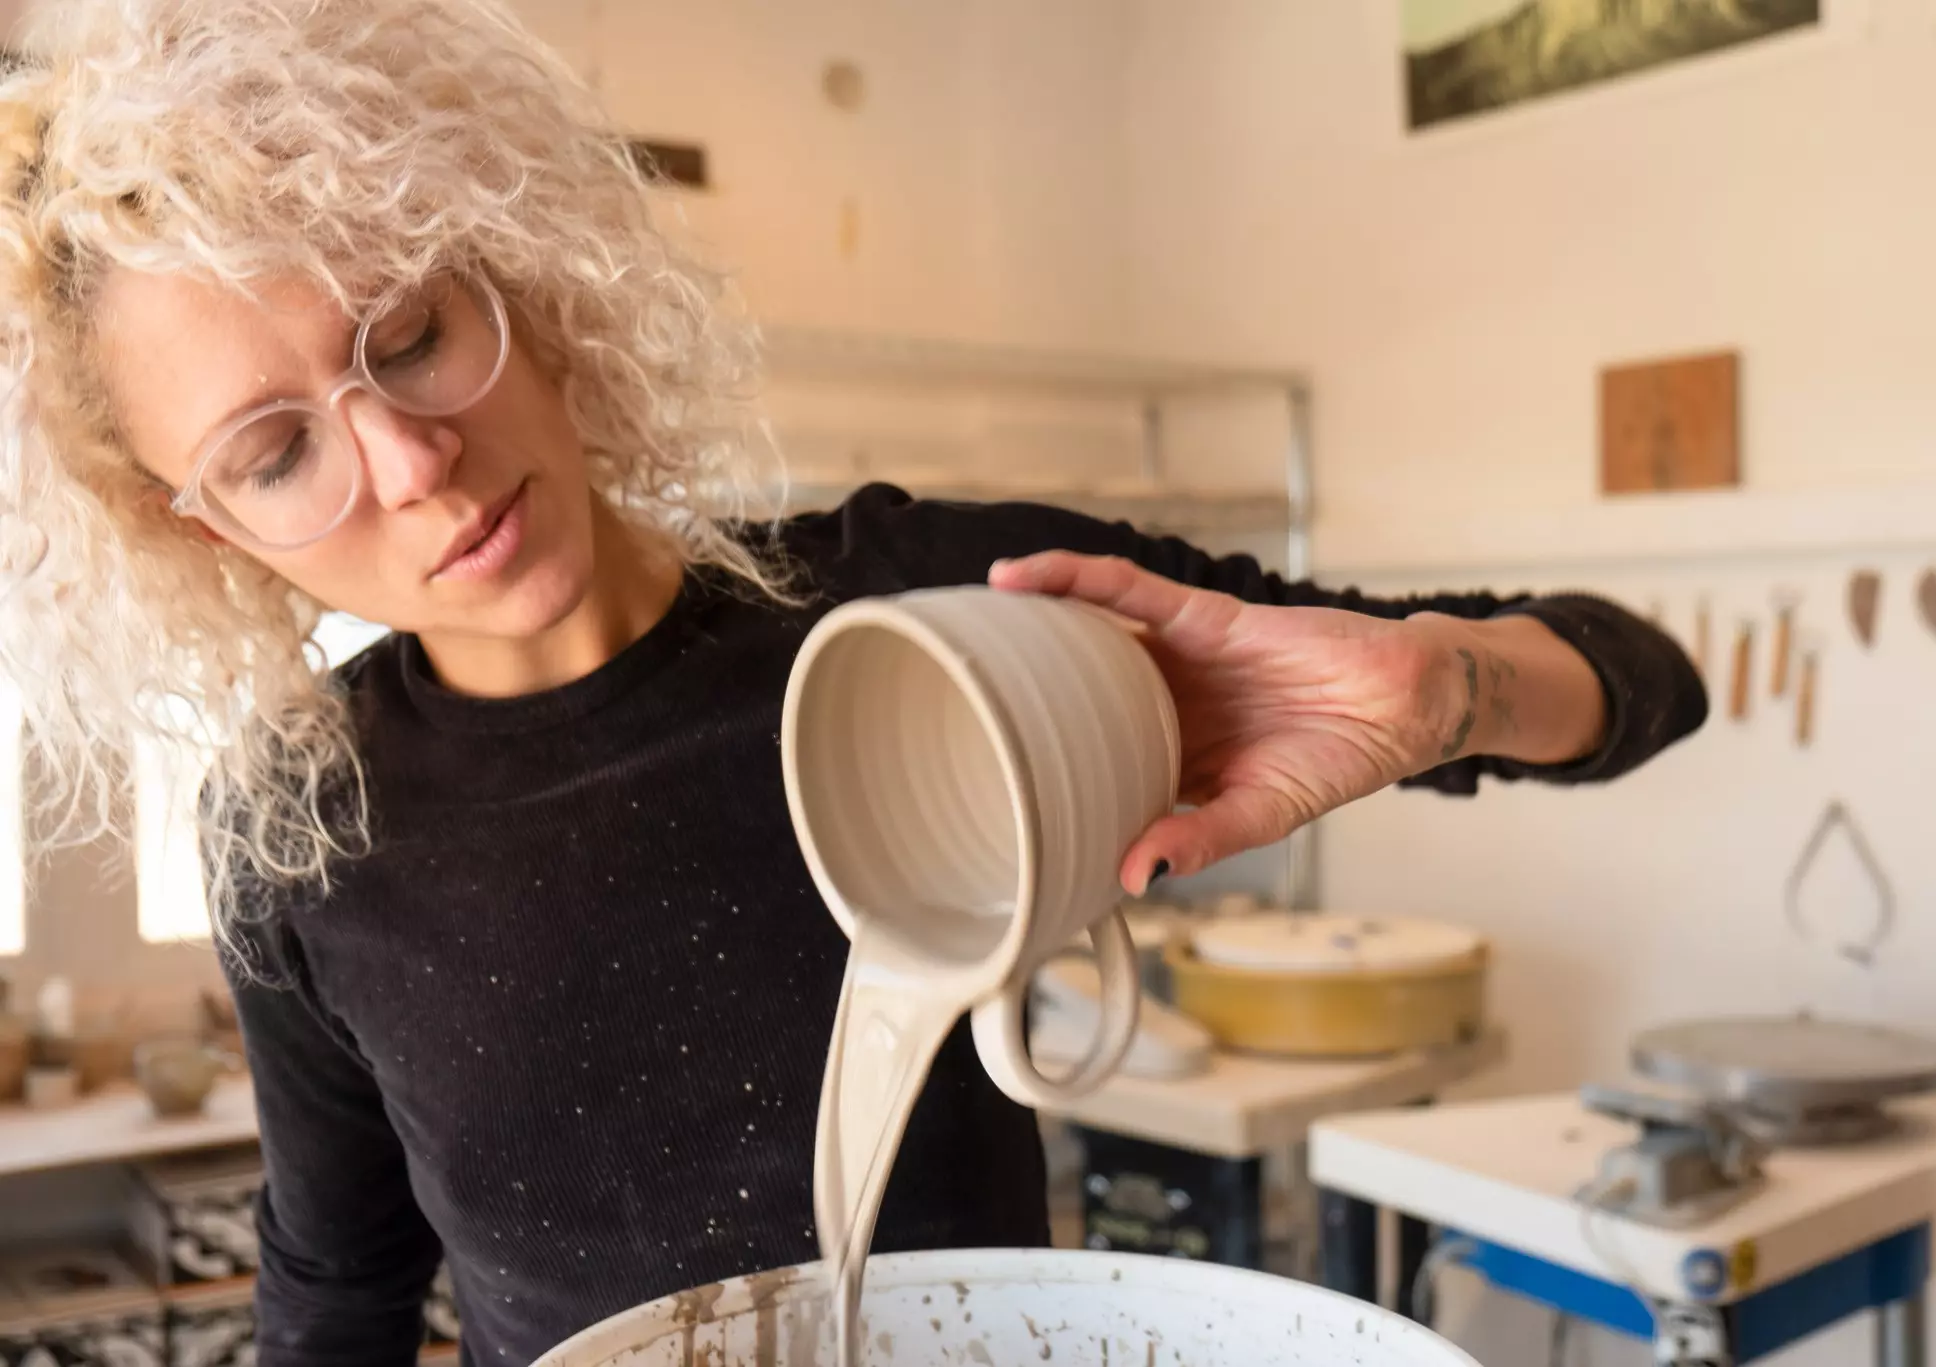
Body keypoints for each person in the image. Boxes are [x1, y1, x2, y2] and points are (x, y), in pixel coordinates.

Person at [0, 1, 1707, 1363]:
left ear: (501, 265)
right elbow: (337, 1293)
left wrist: (1443, 695)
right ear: (202, 526)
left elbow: (1641, 682)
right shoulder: (301, 832)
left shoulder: (937, 608)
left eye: (413, 331)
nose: (412, 462)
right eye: (279, 448)